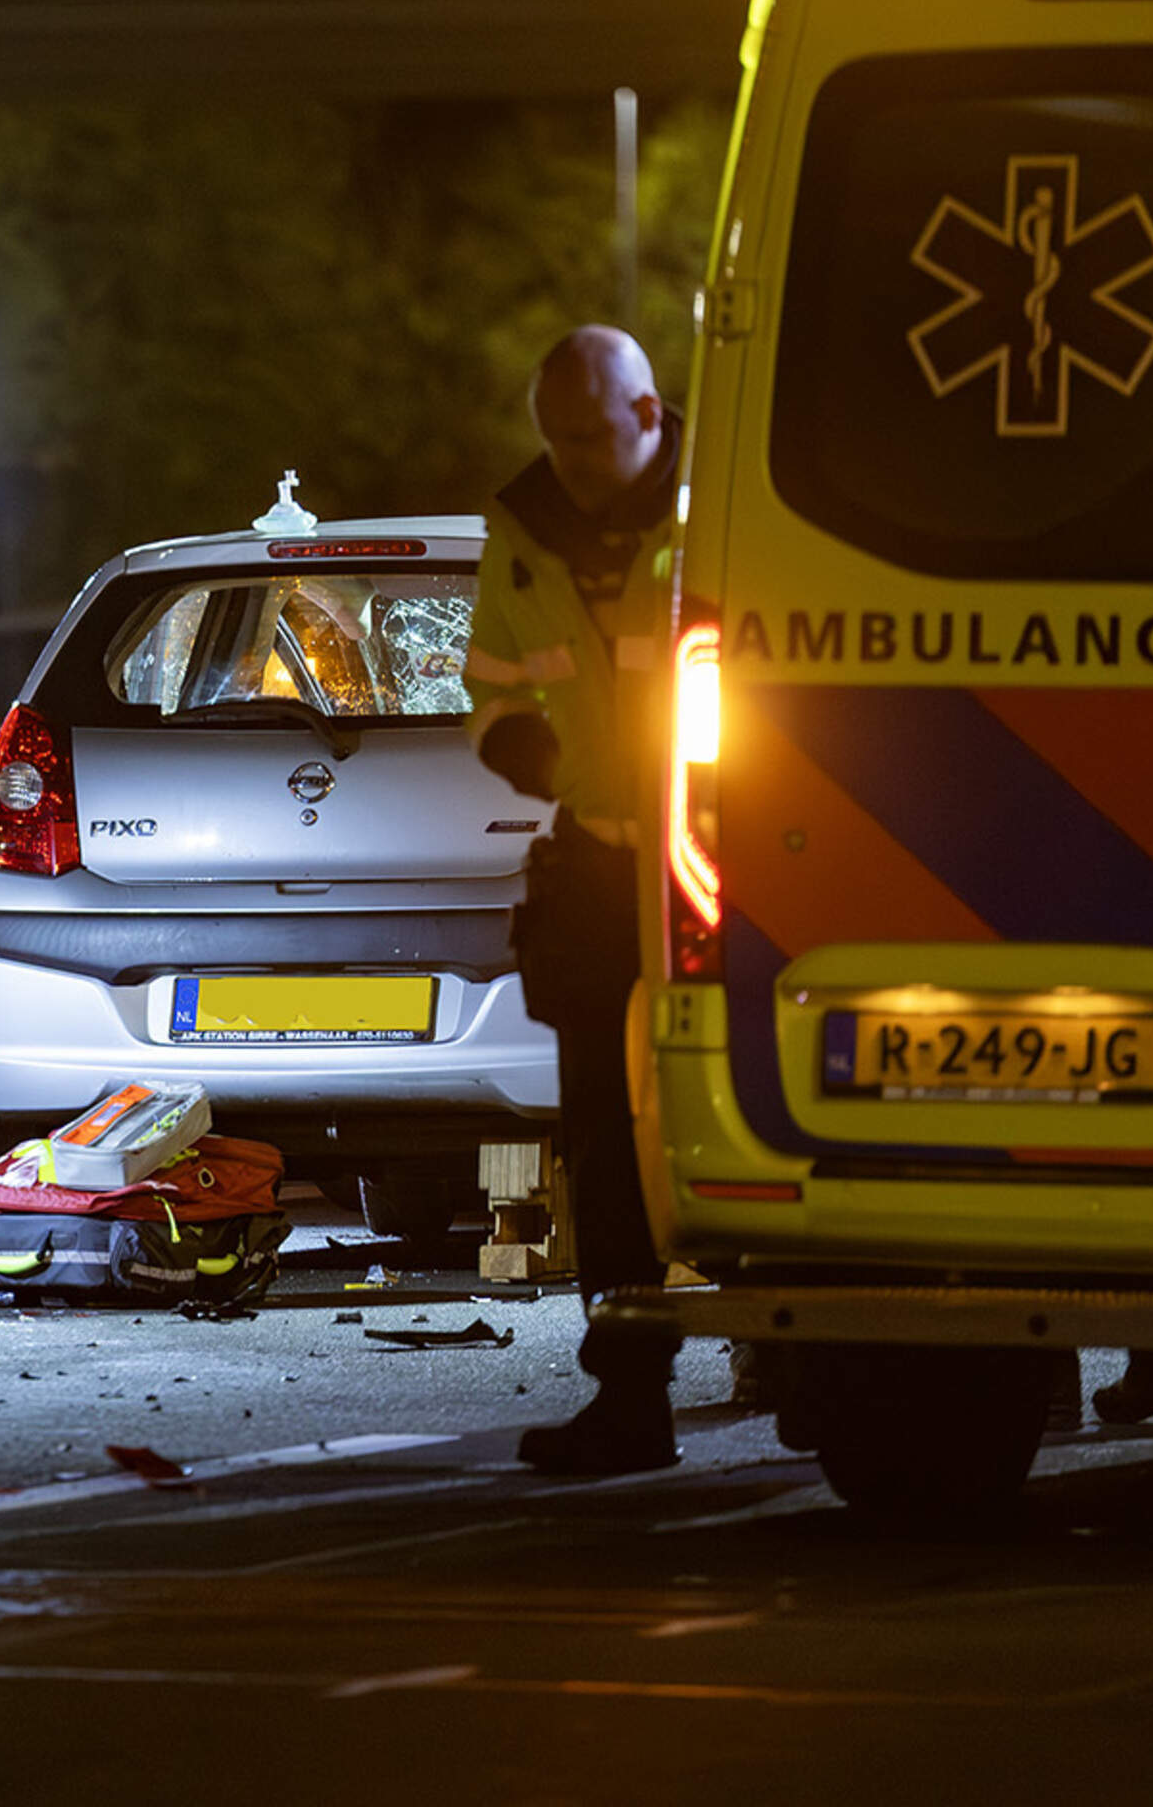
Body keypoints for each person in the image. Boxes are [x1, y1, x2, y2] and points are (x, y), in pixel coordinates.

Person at [467, 325, 685, 1476]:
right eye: (556, 441)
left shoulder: (727, 505)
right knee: (601, 1135)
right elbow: (494, 685)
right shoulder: (525, 528)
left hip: (729, 865)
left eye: (593, 438)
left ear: (649, 416)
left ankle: (795, 1353)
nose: (574, 464)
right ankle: (632, 1396)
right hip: (604, 859)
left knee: (751, 1113)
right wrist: (533, 761)